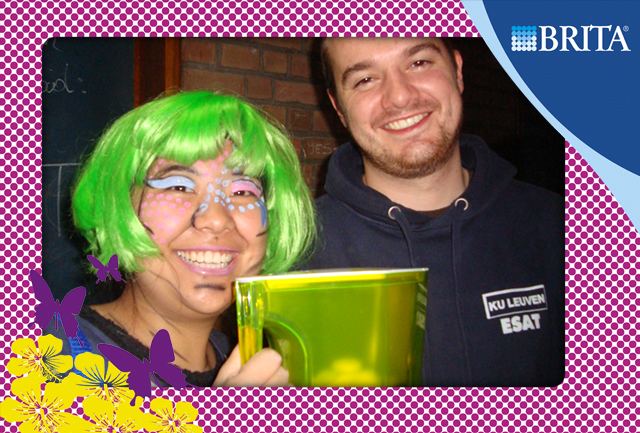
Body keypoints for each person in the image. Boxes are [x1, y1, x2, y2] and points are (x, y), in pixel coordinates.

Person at [301, 38, 564, 387]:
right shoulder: (297, 255)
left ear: (457, 71)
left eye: (419, 63)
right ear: (338, 107)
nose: (399, 96)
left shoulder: (561, 227)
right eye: (365, 79)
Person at [46, 91, 316, 387]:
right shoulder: (46, 356)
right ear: (119, 207)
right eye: (178, 187)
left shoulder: (249, 363)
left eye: (242, 191)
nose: (216, 219)